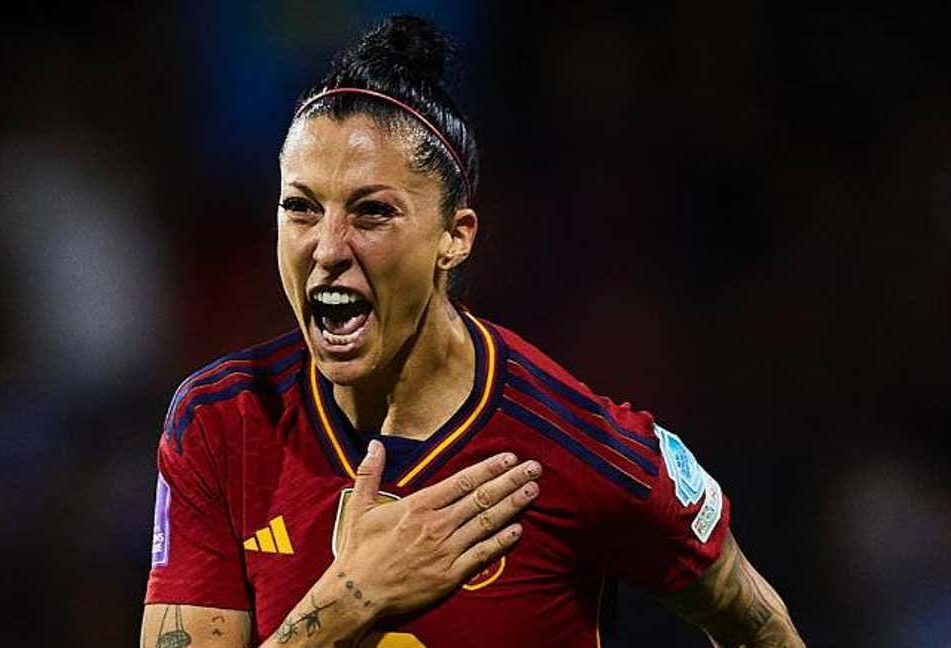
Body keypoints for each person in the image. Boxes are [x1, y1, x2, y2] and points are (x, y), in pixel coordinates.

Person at [141, 15, 804, 648]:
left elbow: (757, 625)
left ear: (454, 239)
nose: (327, 247)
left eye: (372, 213)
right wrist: (349, 599)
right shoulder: (222, 424)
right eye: (301, 209)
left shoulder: (576, 451)